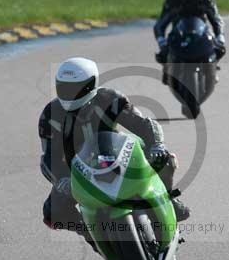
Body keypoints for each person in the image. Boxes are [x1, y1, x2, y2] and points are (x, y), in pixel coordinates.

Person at [39, 57, 190, 243]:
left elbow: (143, 125)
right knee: (52, 213)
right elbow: (48, 158)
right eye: (65, 87)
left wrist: (157, 144)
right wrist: (61, 180)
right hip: (77, 172)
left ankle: (167, 200)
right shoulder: (50, 115)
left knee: (165, 159)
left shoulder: (109, 98)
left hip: (116, 155)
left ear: (91, 84)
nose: (70, 94)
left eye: (76, 88)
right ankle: (90, 233)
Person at [154, 0, 226, 83]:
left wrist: (220, 35)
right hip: (178, 32)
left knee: (220, 48)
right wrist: (161, 40)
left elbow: (216, 19)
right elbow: (160, 24)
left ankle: (211, 68)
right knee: (163, 53)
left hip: (201, 31)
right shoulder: (172, 1)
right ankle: (168, 69)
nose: (190, 0)